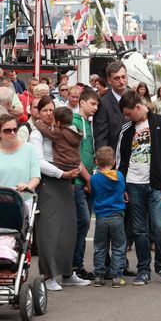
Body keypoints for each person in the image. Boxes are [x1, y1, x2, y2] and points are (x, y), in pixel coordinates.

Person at [118, 91, 161, 286]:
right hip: (133, 184)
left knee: (159, 227)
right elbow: (121, 161)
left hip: (157, 184)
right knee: (139, 230)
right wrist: (122, 186)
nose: (127, 117)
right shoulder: (126, 130)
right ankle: (143, 269)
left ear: (138, 106)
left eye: (129, 113)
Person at [29, 96, 88, 291]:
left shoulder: (62, 130)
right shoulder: (37, 134)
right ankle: (48, 276)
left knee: (68, 228)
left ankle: (67, 272)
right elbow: (38, 162)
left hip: (66, 182)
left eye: (50, 110)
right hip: (48, 183)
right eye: (43, 110)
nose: (47, 113)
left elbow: (73, 154)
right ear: (38, 112)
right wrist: (62, 173)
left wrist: (81, 174)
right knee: (49, 231)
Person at [71, 90, 100, 280]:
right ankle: (73, 265)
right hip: (78, 181)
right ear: (82, 103)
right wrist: (88, 178)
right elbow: (74, 155)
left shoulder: (90, 124)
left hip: (88, 179)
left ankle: (77, 265)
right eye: (92, 104)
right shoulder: (74, 122)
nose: (95, 108)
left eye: (97, 105)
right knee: (81, 222)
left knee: (84, 223)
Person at [0, 114, 40, 209]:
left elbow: (36, 177)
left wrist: (28, 187)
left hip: (23, 201)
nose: (12, 133)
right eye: (7, 130)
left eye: (15, 129)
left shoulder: (29, 149)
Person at [91, 146, 127, 288]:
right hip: (117, 216)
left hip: (101, 217)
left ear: (97, 162)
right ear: (113, 161)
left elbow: (93, 192)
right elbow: (123, 189)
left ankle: (99, 276)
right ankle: (117, 276)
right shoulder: (119, 176)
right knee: (119, 246)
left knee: (100, 246)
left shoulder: (95, 178)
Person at [94, 61, 130, 151]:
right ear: (109, 80)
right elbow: (101, 138)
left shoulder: (134, 99)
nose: (121, 81)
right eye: (117, 78)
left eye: (123, 77)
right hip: (114, 159)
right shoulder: (103, 104)